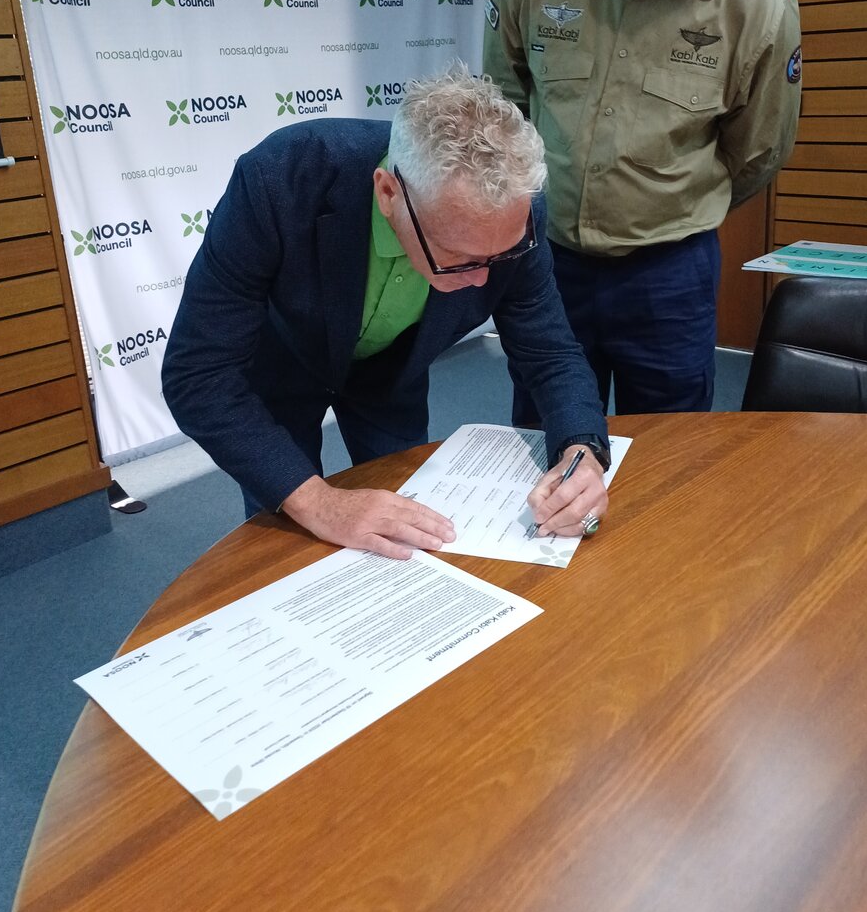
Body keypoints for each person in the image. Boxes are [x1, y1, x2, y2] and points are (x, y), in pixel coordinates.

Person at [161, 66, 611, 560]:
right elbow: (197, 374)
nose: (483, 280)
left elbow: (550, 350)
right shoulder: (281, 178)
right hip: (283, 364)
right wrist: (318, 502)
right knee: (286, 540)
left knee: (409, 531)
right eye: (458, 257)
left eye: (498, 257)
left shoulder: (512, 216)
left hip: (392, 373)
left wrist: (581, 451)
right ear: (388, 192)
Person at [483, 0, 802, 418]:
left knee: (670, 461)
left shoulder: (759, 4)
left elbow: (756, 153)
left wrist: (665, 206)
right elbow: (501, 106)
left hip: (670, 276)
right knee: (547, 442)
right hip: (548, 262)